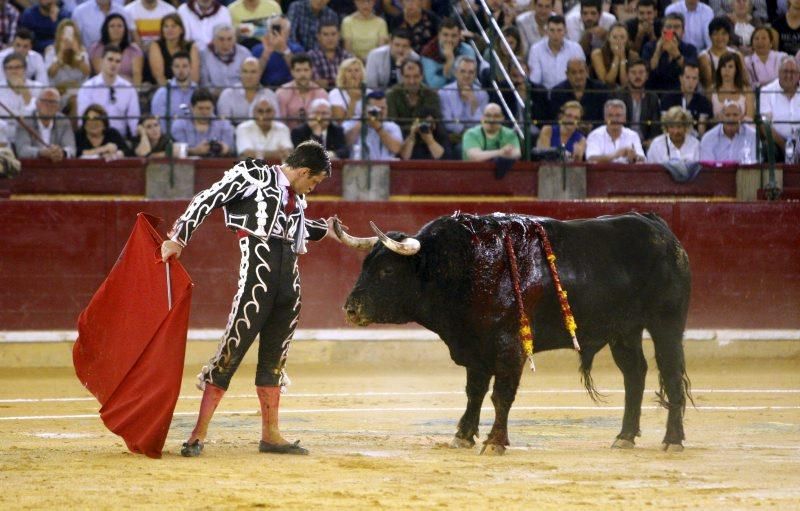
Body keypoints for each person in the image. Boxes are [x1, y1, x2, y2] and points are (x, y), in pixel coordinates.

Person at [160, 140, 342, 458]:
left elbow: (294, 229)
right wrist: (178, 238)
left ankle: (271, 435)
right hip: (257, 282)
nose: (312, 189)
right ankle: (197, 434)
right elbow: (207, 198)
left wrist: (327, 231)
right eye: (313, 181)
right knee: (230, 352)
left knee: (274, 360)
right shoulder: (253, 175)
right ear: (302, 171)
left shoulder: (296, 201)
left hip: (289, 289)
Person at [77, 45, 140, 139]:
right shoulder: (88, 87)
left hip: (120, 140)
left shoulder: (128, 88)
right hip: (94, 139)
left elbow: (134, 120)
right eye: (110, 59)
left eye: (117, 61)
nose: (113, 64)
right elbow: (82, 120)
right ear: (102, 61)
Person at [43, 19, 90, 124]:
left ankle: (76, 134)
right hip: (57, 93)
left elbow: (87, 72)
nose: (68, 38)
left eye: (71, 34)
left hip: (76, 94)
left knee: (75, 100)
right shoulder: (51, 51)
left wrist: (77, 52)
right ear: (60, 35)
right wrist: (61, 52)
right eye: (66, 33)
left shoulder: (82, 52)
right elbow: (51, 73)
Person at [439, 55, 489, 147]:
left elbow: (482, 123)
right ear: (455, 72)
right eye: (462, 71)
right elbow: (447, 121)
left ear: (475, 75)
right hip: (452, 136)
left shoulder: (482, 94)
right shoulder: (444, 92)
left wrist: (474, 103)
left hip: (476, 136)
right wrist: (464, 131)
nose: (467, 75)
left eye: (471, 72)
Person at [641, 12, 699, 92]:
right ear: (662, 30)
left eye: (676, 27)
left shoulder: (690, 49)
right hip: (654, 93)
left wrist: (677, 54)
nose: (672, 31)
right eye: (668, 27)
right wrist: (657, 52)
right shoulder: (649, 47)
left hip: (680, 93)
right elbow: (646, 72)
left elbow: (691, 73)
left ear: (683, 31)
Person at [15, 87, 75, 160]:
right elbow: (22, 150)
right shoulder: (25, 122)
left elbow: (71, 149)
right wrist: (41, 152)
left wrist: (62, 152)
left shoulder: (63, 121)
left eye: (53, 102)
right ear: (37, 104)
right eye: (44, 101)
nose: (48, 105)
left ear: (58, 107)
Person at [171, 88, 234, 157]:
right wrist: (194, 151)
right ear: (191, 107)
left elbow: (231, 150)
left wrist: (226, 149)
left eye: (208, 108)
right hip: (187, 166)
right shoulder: (179, 125)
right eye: (200, 108)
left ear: (213, 108)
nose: (204, 112)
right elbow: (175, 152)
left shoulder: (224, 125)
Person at [527, 14, 586, 89]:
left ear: (565, 31)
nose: (555, 34)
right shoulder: (536, 49)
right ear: (547, 31)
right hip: (544, 94)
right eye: (552, 30)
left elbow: (581, 74)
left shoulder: (576, 48)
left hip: (569, 92)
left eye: (559, 30)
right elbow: (535, 78)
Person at [387, 58, 442, 137]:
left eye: (416, 76)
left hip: (425, 139)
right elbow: (392, 125)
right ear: (402, 77)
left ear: (422, 76)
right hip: (400, 139)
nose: (412, 81)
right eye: (407, 77)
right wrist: (417, 127)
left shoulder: (431, 95)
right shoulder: (392, 95)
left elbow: (437, 123)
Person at [613, 58, 661, 147]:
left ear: (647, 76)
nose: (637, 76)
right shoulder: (618, 96)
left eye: (641, 72)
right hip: (622, 143)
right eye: (633, 73)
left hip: (646, 144)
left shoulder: (652, 98)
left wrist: (650, 141)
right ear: (627, 75)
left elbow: (655, 128)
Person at [759, 56, 800, 159]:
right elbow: (765, 126)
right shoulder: (766, 91)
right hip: (777, 143)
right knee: (767, 148)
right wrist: (785, 145)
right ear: (779, 72)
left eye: (793, 72)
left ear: (798, 75)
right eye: (785, 71)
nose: (789, 75)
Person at [550, 57, 610, 127]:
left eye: (581, 71)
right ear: (567, 74)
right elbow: (556, 120)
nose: (578, 76)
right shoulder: (557, 92)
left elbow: (605, 118)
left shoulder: (600, 89)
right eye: (574, 73)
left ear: (587, 72)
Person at [218, 56, 278, 125]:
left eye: (253, 72)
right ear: (240, 73)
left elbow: (276, 123)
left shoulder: (270, 95)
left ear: (260, 74)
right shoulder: (227, 94)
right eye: (245, 71)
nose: (249, 76)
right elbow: (224, 125)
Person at [420, 17, 476, 89]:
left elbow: (470, 80)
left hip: (462, 91)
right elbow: (434, 85)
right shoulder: (428, 52)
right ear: (439, 35)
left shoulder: (467, 50)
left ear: (459, 36)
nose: (449, 40)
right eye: (445, 35)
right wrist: (449, 62)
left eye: (454, 36)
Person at [89, 14, 144, 87]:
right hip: (102, 87)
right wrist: (123, 80)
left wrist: (135, 91)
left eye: (120, 26)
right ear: (106, 29)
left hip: (129, 88)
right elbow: (102, 73)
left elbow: (137, 74)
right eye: (112, 26)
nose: (116, 29)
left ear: (125, 29)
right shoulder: (96, 48)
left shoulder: (133, 49)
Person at [345, 90, 403, 160]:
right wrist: (363, 121)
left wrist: (378, 128)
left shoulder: (392, 127)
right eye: (376, 108)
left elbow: (396, 149)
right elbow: (345, 143)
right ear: (366, 108)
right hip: (358, 167)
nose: (380, 112)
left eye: (383, 108)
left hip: (384, 167)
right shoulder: (353, 122)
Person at [276, 53, 328, 129]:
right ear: (292, 72)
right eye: (298, 70)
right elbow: (281, 124)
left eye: (306, 70)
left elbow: (324, 122)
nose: (302, 74)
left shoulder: (321, 93)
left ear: (311, 71)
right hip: (289, 136)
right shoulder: (282, 93)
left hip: (315, 136)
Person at [147, 13, 201, 87]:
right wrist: (170, 93)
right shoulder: (156, 45)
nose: (170, 30)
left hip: (187, 89)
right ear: (162, 30)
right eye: (166, 26)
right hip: (163, 89)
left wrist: (185, 92)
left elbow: (194, 77)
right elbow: (158, 76)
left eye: (174, 26)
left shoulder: (191, 46)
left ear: (181, 30)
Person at [660, 63, 713, 137]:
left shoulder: (703, 102)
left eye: (694, 78)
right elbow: (665, 126)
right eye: (687, 77)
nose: (691, 82)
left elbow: (702, 131)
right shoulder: (668, 99)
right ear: (681, 78)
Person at [0, 52, 43, 142]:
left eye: (17, 67)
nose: (14, 71)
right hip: (3, 134)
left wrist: (24, 91)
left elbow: (36, 116)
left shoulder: (38, 88)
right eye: (9, 68)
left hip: (30, 135)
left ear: (25, 69)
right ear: (4, 71)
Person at [585, 98, 645, 162]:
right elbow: (591, 159)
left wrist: (635, 157)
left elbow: (642, 159)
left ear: (624, 118)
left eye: (618, 115)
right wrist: (616, 154)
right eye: (610, 115)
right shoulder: (595, 135)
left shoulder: (633, 135)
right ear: (605, 118)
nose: (614, 119)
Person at [235, 94, 293, 159]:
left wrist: (257, 153)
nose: (265, 115)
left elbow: (287, 153)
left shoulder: (283, 128)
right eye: (260, 111)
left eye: (268, 111)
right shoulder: (243, 128)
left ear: (274, 112)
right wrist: (276, 154)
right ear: (254, 113)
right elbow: (247, 155)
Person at [253, 14, 304, 88]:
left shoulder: (297, 49)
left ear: (288, 32)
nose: (276, 32)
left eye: (280, 28)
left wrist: (284, 49)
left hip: (292, 89)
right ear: (268, 31)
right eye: (274, 28)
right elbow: (252, 78)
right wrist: (266, 53)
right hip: (265, 90)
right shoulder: (257, 50)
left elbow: (301, 75)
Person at [698, 16, 745, 90]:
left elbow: (744, 81)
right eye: (715, 34)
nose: (720, 37)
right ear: (710, 36)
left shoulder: (737, 55)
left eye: (724, 33)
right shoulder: (704, 57)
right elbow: (708, 85)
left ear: (729, 35)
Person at [591, 23, 639, 88]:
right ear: (608, 37)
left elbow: (625, 84)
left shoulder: (633, 56)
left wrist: (622, 59)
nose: (618, 41)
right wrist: (616, 58)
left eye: (622, 37)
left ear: (627, 38)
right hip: (602, 92)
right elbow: (607, 83)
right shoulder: (597, 54)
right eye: (614, 37)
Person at [308, 21, 353, 89]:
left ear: (339, 36)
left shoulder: (347, 56)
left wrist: (328, 82)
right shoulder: (311, 56)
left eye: (333, 34)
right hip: (320, 96)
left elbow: (352, 81)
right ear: (318, 37)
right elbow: (317, 83)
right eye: (325, 34)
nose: (330, 38)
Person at [710, 52, 755, 121]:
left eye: (730, 67)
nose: (726, 70)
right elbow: (708, 118)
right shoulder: (712, 90)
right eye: (723, 66)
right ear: (719, 69)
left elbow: (750, 119)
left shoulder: (747, 91)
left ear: (736, 70)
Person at [329, 57, 370, 124]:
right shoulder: (335, 94)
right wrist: (353, 100)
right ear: (343, 75)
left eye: (356, 70)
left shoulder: (369, 93)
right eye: (349, 71)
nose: (353, 74)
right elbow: (340, 124)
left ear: (361, 74)